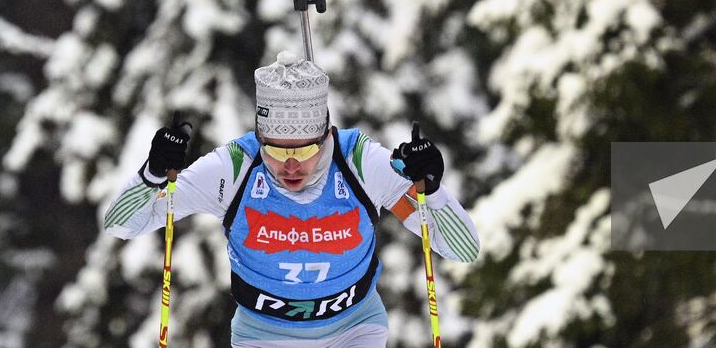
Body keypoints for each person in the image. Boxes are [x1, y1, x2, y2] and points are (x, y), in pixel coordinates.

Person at [102, 51, 481, 347]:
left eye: (303, 152)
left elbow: (463, 249)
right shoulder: (233, 169)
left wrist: (431, 190)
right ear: (259, 139)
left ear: (327, 135)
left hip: (353, 330)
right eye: (277, 152)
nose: (291, 167)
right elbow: (121, 225)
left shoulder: (361, 164)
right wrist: (152, 174)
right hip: (263, 336)